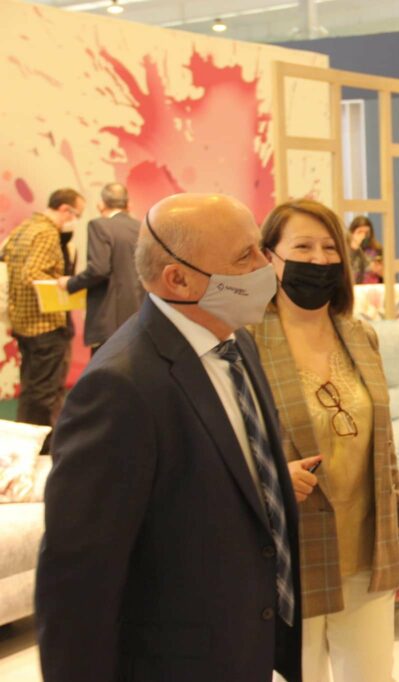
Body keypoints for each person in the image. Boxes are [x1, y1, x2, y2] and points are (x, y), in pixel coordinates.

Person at [35, 193, 303, 682]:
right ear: (178, 279)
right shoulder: (118, 387)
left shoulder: (236, 342)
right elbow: (77, 580)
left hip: (244, 648)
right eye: (244, 256)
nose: (267, 267)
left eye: (261, 248)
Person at [251, 199, 399, 681]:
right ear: (269, 258)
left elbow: (384, 449)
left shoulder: (361, 336)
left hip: (366, 548)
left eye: (329, 248)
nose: (319, 259)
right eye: (302, 247)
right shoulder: (245, 343)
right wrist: (272, 477)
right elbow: (225, 445)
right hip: (289, 552)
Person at [1, 187, 83, 441]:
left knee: (31, 389)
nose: (76, 220)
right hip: (45, 323)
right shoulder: (47, 233)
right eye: (77, 214)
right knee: (45, 392)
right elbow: (32, 273)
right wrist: (63, 283)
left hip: (23, 322)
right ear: (65, 209)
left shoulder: (24, 228)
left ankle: (25, 442)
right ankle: (42, 445)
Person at [57, 182, 144, 355]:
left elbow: (98, 269)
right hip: (139, 318)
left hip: (109, 320)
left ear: (101, 205)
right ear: (128, 205)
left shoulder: (99, 225)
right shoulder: (142, 227)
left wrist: (70, 283)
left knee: (104, 368)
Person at [348, 215, 384, 284]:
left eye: (366, 233)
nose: (363, 236)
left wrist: (380, 271)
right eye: (359, 232)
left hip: (374, 288)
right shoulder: (345, 251)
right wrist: (355, 248)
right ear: (352, 233)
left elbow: (390, 276)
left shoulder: (378, 250)